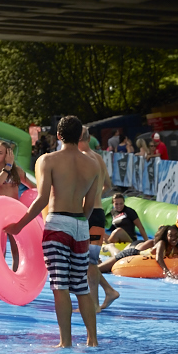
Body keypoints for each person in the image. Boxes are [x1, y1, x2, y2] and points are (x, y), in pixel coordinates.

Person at [6, 116, 103, 348]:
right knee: (81, 285)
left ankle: (65, 342)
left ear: (58, 136)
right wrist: (79, 223)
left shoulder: (47, 160)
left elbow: (41, 199)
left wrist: (19, 225)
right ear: (80, 135)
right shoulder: (93, 164)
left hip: (58, 224)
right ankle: (92, 340)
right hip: (81, 224)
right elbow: (90, 204)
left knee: (60, 286)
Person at [0, 140, 32, 299]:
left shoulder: (17, 171)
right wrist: (8, 166)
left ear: (8, 154)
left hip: (13, 213)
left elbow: (32, 185)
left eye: (0, 152)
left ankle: (14, 283)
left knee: (16, 249)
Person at [80, 127, 119, 311]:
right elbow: (108, 186)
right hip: (97, 213)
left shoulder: (82, 158)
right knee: (90, 261)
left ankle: (94, 303)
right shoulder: (98, 158)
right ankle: (108, 290)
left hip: (87, 214)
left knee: (88, 262)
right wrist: (95, 195)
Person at [99, 224, 178, 277]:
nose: (174, 238)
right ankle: (109, 248)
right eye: (170, 235)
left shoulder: (177, 249)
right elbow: (159, 258)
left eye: (176, 235)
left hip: (136, 258)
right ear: (166, 236)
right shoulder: (161, 243)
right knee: (100, 270)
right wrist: (167, 272)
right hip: (130, 254)